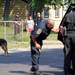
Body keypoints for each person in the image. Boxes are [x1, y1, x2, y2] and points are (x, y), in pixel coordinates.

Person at [58, 4, 75, 75]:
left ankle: (67, 72)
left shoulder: (67, 15)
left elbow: (61, 26)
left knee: (67, 54)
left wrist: (63, 36)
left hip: (67, 35)